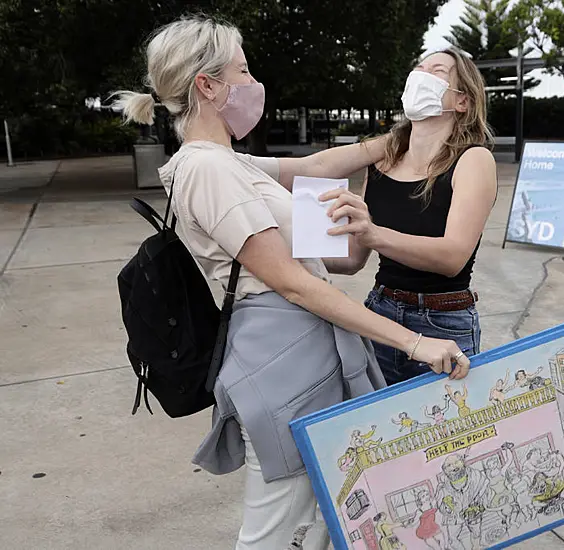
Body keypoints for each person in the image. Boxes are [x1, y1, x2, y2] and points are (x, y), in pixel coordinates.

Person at [114, 16, 470, 550]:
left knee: (319, 522)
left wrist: (397, 139)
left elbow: (317, 169)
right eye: (243, 69)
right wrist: (415, 341)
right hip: (283, 363)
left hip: (296, 358)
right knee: (280, 533)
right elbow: (296, 285)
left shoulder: (228, 162)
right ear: (207, 86)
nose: (253, 81)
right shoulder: (208, 170)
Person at [318, 48, 498, 385]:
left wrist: (374, 233)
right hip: (380, 314)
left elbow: (452, 257)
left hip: (444, 321)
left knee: (444, 433)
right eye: (419, 67)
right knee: (379, 430)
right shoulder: (383, 160)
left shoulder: (473, 160)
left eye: (438, 71)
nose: (422, 74)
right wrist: (290, 254)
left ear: (463, 101)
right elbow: (354, 259)